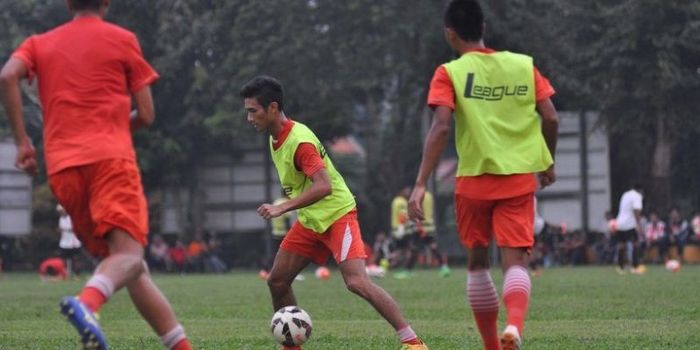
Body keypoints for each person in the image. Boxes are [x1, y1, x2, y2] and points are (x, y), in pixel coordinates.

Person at [0, 1, 192, 349]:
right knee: (129, 258)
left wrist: (23, 143)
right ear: (106, 2)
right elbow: (147, 114)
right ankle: (87, 305)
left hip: (63, 168)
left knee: (128, 265)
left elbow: (7, 75)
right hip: (109, 159)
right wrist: (114, 126)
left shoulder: (38, 43)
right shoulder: (122, 39)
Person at [406, 1, 559, 349]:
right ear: (484, 27)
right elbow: (550, 117)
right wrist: (547, 161)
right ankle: (515, 326)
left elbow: (441, 127)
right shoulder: (523, 65)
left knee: (477, 263)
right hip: (519, 179)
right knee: (515, 260)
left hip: (473, 181)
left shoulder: (449, 73)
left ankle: (492, 345)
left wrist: (419, 185)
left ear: (450, 33)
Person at [240, 76, 428, 350]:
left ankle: (412, 342)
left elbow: (324, 186)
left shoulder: (299, 141)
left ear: (272, 108)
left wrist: (282, 207)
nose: (249, 118)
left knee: (357, 282)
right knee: (277, 281)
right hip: (311, 220)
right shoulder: (274, 138)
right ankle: (292, 346)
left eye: (252, 111)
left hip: (337, 214)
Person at [416, 190, 451, 277]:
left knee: (413, 247)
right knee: (433, 247)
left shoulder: (419, 196)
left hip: (423, 227)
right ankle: (444, 267)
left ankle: (407, 270)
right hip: (430, 225)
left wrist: (419, 226)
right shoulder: (429, 196)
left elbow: (420, 210)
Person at [615, 183, 644, 274]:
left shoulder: (625, 194)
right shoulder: (637, 196)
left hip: (619, 223)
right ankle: (635, 267)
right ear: (640, 190)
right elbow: (637, 210)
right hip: (629, 224)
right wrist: (639, 225)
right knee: (635, 244)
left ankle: (620, 268)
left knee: (621, 245)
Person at [390, 187, 418, 279]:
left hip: (396, 229)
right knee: (409, 250)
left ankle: (387, 266)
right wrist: (413, 224)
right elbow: (403, 217)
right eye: (407, 190)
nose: (409, 192)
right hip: (403, 231)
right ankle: (405, 270)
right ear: (401, 191)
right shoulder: (402, 202)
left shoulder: (395, 201)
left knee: (400, 250)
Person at [57, 204, 83, 278]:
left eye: (62, 211)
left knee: (76, 259)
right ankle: (64, 273)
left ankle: (76, 275)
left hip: (74, 243)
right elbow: (61, 229)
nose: (61, 213)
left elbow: (75, 228)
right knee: (64, 259)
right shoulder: (61, 219)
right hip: (64, 242)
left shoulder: (71, 218)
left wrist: (66, 229)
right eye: (59, 212)